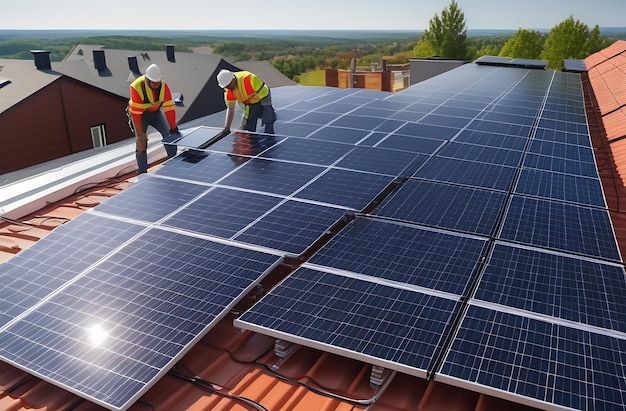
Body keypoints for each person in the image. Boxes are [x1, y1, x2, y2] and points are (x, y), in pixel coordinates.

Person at [128, 64, 179, 174]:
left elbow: (169, 109)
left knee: (169, 135)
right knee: (141, 141)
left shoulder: (164, 87)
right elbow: (136, 113)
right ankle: (142, 172)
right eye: (154, 82)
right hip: (141, 116)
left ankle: (175, 163)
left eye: (158, 82)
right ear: (147, 79)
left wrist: (173, 127)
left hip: (156, 113)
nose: (156, 84)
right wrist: (140, 134)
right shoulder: (136, 87)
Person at [217, 69, 276, 135]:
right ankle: (252, 137)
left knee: (268, 118)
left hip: (263, 96)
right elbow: (231, 109)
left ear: (233, 79)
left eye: (228, 84)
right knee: (248, 124)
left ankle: (269, 132)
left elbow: (263, 92)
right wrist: (227, 128)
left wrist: (265, 110)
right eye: (226, 86)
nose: (228, 87)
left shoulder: (249, 78)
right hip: (250, 103)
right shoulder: (229, 90)